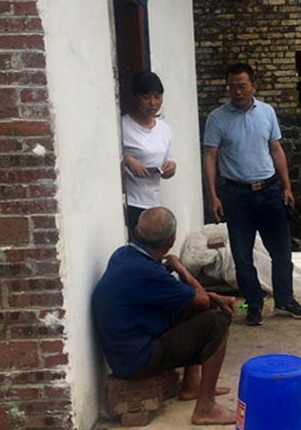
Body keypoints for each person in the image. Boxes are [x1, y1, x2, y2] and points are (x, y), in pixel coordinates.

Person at [92, 207, 237, 425]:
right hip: (136, 361)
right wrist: (181, 268)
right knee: (217, 321)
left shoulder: (124, 254)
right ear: (172, 240)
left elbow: (180, 293)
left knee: (192, 308)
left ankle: (192, 386)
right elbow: (202, 301)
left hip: (125, 352)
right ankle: (206, 408)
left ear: (136, 231)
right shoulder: (148, 271)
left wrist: (214, 296)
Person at [203, 63, 301, 327]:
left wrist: (287, 186)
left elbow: (276, 149)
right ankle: (254, 305)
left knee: (281, 251)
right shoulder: (217, 118)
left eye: (242, 86)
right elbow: (210, 157)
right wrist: (213, 195)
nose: (237, 92)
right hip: (237, 195)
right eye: (232, 87)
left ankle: (284, 300)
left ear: (254, 86)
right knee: (242, 255)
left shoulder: (267, 112)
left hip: (269, 191)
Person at [122, 71, 177, 240]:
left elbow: (167, 160)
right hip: (130, 203)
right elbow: (106, 159)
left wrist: (171, 168)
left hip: (153, 204)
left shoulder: (164, 128)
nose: (153, 103)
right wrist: (127, 160)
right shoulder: (123, 126)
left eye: (158, 97)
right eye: (146, 97)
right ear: (135, 96)